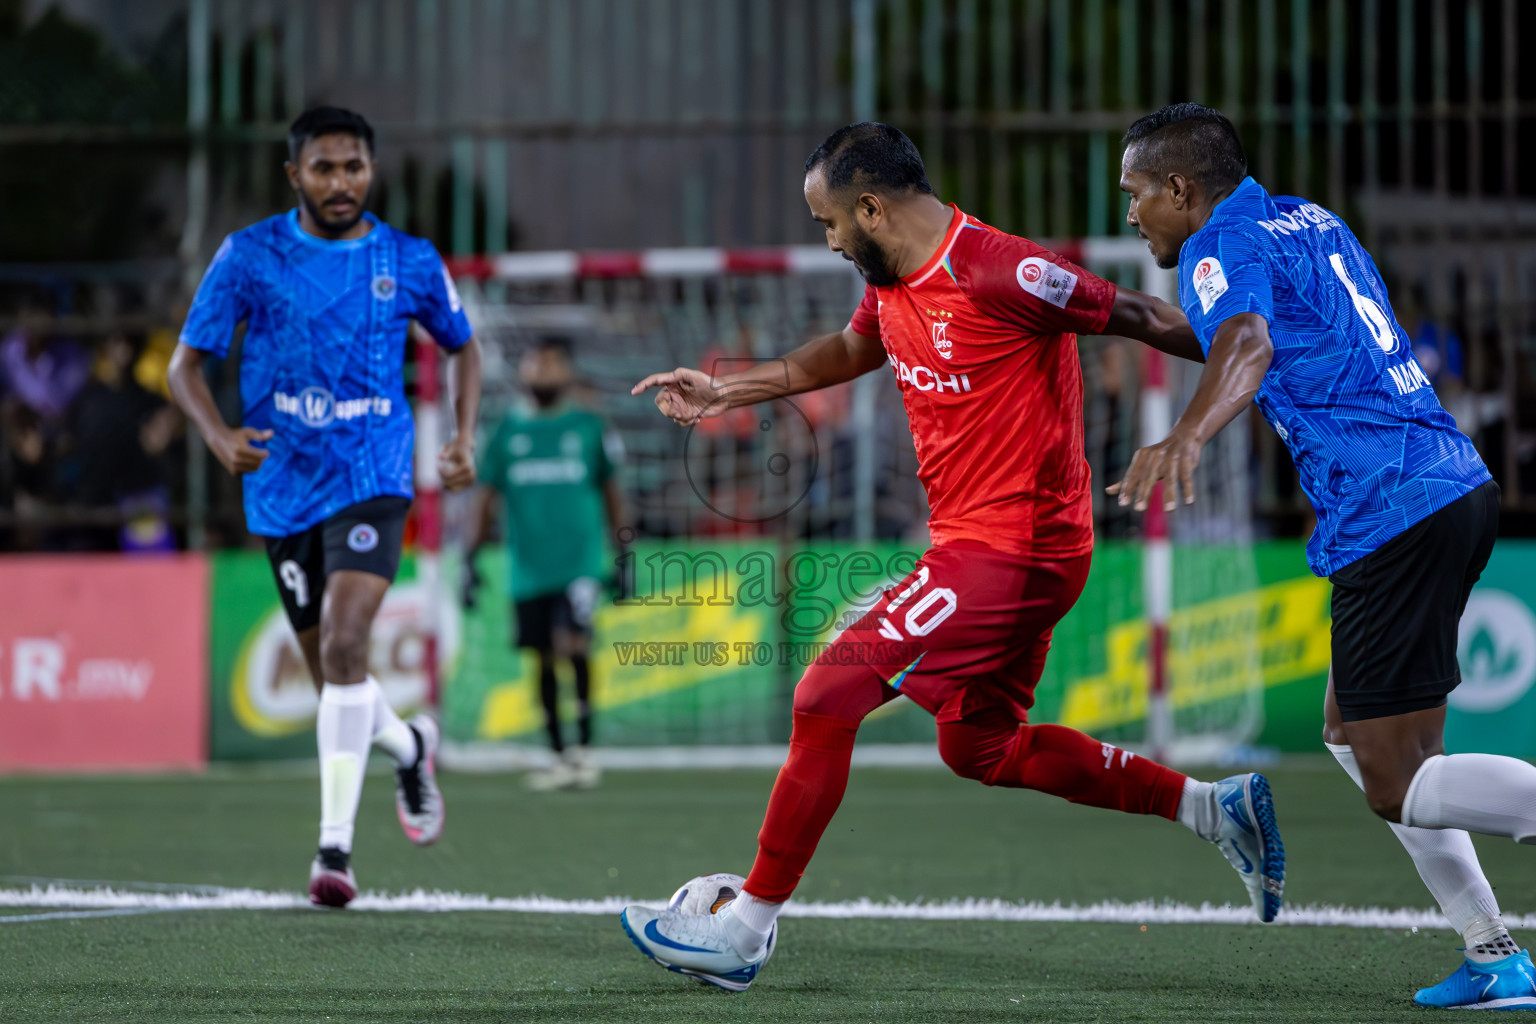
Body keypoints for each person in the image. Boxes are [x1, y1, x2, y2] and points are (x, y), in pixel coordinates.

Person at [619, 122, 1286, 992]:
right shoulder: (891, 276)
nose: (826, 239)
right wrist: (731, 387)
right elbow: (861, 345)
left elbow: (1141, 314)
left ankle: (744, 928)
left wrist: (1254, 347)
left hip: (1016, 549)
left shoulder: (1002, 268)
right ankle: (1208, 806)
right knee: (980, 751)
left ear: (870, 206)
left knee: (827, 692)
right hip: (987, 550)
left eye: (828, 223)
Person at [1114, 102, 1533, 1011]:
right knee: (1355, 738)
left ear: (1181, 187)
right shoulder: (1309, 220)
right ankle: (1494, 954)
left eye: (1138, 192)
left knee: (1398, 782)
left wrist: (1187, 430)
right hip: (1448, 483)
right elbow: (1271, 329)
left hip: (1390, 510)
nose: (1133, 213)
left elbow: (1249, 340)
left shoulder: (1215, 245)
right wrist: (1137, 322)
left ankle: (1499, 948)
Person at [168, 106, 483, 908]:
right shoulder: (249, 256)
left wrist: (462, 437)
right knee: (334, 679)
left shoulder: (406, 258)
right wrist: (217, 438)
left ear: (371, 172)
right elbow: (184, 369)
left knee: (348, 643)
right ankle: (411, 747)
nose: (340, 182)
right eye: (323, 168)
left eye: (353, 167)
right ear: (294, 175)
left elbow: (463, 345)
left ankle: (333, 854)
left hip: (373, 471)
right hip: (281, 485)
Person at [466, 337, 627, 791]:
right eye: (535, 364)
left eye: (551, 364)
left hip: (578, 563)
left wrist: (625, 553)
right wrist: (469, 559)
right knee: (540, 658)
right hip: (528, 567)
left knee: (572, 644)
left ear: (568, 373)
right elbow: (485, 500)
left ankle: (585, 750)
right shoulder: (506, 434)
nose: (542, 372)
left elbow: (613, 494)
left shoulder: (590, 427)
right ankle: (558, 754)